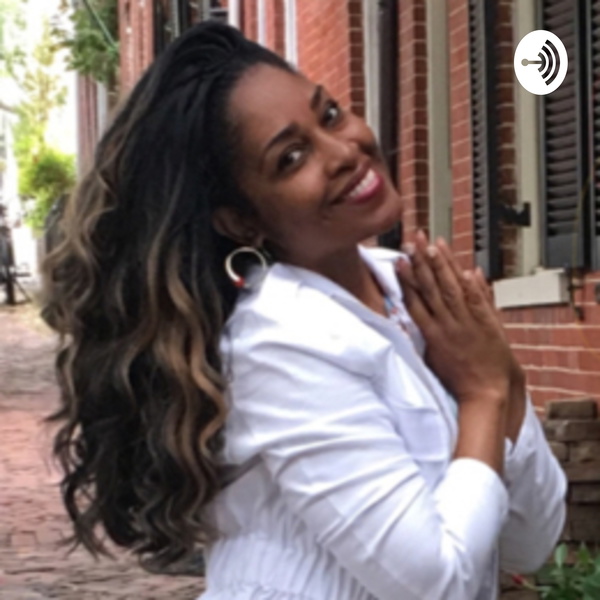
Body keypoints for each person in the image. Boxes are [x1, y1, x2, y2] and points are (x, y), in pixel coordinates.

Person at [42, 21, 566, 600]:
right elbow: (437, 584)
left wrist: (505, 380)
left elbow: (529, 543)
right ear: (242, 219)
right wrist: (484, 393)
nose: (343, 152)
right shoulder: (279, 337)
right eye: (291, 157)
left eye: (331, 115)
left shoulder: (410, 288)